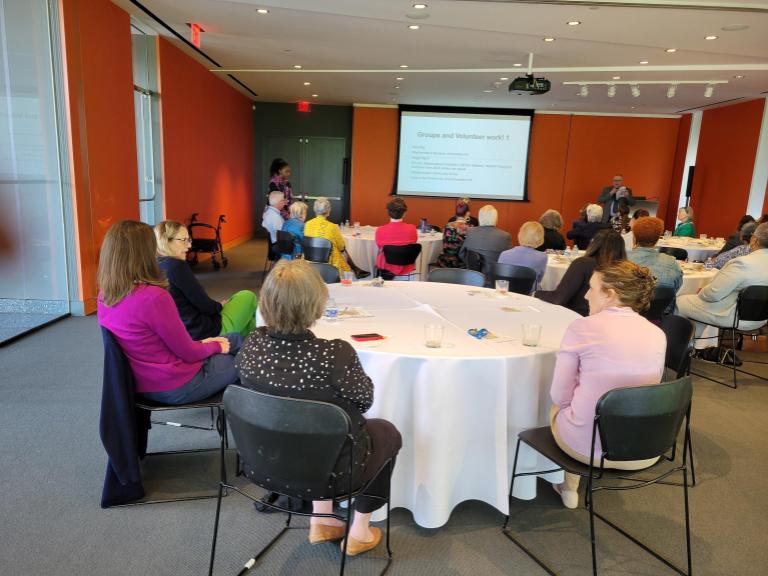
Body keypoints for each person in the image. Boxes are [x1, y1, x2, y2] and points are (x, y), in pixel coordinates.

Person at [236, 260, 402, 556]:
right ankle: (360, 530)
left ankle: (322, 519)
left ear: (266, 301)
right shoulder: (334, 353)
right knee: (386, 433)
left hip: (264, 461)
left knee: (317, 432)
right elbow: (365, 401)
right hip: (331, 471)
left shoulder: (252, 344)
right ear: (316, 305)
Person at [549, 260, 665, 509]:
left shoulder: (583, 327)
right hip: (645, 447)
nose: (586, 294)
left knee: (556, 407)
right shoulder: (657, 333)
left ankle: (568, 487)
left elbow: (559, 395)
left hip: (586, 449)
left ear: (610, 294)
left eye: (592, 288)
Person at [97, 220, 242, 405]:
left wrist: (205, 344)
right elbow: (188, 353)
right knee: (242, 351)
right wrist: (214, 346)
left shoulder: (104, 297)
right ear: (145, 252)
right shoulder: (154, 297)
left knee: (234, 340)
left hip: (138, 385)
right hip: (177, 384)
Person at [155, 221, 257, 340]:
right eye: (183, 240)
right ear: (167, 241)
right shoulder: (176, 266)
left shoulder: (157, 265)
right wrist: (219, 306)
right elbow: (204, 305)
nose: (189, 246)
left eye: (189, 240)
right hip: (202, 332)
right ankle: (250, 345)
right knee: (247, 296)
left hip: (181, 330)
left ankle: (245, 344)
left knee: (246, 318)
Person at [677, 223, 768, 348]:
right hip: (761, 318)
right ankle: (693, 346)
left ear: (754, 239)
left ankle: (678, 351)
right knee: (699, 305)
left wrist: (702, 291)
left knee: (680, 301)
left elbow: (713, 294)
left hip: (733, 316)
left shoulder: (743, 263)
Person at [536, 229, 626, 316]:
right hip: (607, 322)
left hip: (574, 317)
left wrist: (536, 293)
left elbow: (559, 298)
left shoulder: (583, 264)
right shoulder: (624, 271)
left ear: (594, 244)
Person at [304, 197, 367, 277]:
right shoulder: (333, 227)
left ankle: (356, 269)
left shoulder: (307, 224)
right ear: (328, 211)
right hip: (329, 262)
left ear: (315, 210)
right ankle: (356, 269)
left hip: (309, 260)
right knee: (342, 250)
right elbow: (341, 247)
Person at [628, 216, 682, 295]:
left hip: (629, 305)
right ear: (657, 240)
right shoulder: (671, 263)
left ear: (634, 237)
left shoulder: (622, 259)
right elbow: (676, 288)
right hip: (664, 307)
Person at [458, 205, 512, 278]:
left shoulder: (470, 232)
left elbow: (462, 254)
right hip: (494, 278)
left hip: (472, 277)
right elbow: (508, 260)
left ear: (480, 217)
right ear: (495, 218)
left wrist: (472, 266)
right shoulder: (505, 236)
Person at [375, 197, 418, 277]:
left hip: (386, 267)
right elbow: (413, 242)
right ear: (404, 213)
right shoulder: (412, 228)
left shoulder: (380, 230)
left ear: (388, 212)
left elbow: (380, 247)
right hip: (407, 266)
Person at [498, 221, 548, 288]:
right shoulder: (542, 257)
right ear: (540, 237)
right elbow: (539, 280)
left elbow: (500, 279)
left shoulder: (504, 254)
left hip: (506, 292)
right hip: (529, 294)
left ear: (520, 234)